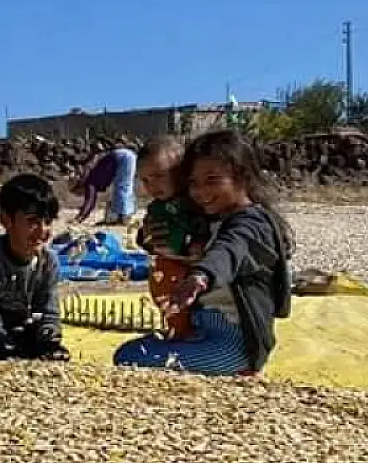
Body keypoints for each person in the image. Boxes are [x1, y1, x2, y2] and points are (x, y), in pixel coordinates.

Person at [114, 130, 292, 376]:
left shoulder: (252, 224)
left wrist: (200, 277)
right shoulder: (211, 218)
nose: (200, 192)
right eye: (193, 183)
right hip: (201, 329)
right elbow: (175, 240)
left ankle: (241, 371)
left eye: (212, 180)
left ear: (242, 177)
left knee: (130, 358)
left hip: (234, 344)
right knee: (133, 351)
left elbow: (228, 251)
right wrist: (149, 237)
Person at [0, 174, 70, 361]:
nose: (42, 231)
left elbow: (49, 311)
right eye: (32, 221)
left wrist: (49, 338)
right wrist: (4, 344)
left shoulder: (48, 261)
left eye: (48, 221)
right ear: (6, 220)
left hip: (22, 333)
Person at [134, 135, 211, 340]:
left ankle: (186, 330)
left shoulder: (194, 201)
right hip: (166, 262)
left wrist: (195, 243)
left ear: (180, 173)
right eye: (145, 180)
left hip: (192, 264)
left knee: (186, 297)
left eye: (159, 176)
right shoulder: (156, 207)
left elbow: (203, 225)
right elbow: (147, 234)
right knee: (164, 293)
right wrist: (145, 238)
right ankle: (176, 328)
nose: (152, 185)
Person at [70, 138, 138, 225]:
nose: (80, 195)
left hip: (122, 158)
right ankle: (124, 215)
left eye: (78, 193)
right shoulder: (92, 178)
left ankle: (122, 218)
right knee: (124, 186)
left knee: (122, 187)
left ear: (79, 187)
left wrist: (79, 219)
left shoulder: (90, 184)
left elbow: (89, 203)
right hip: (125, 156)